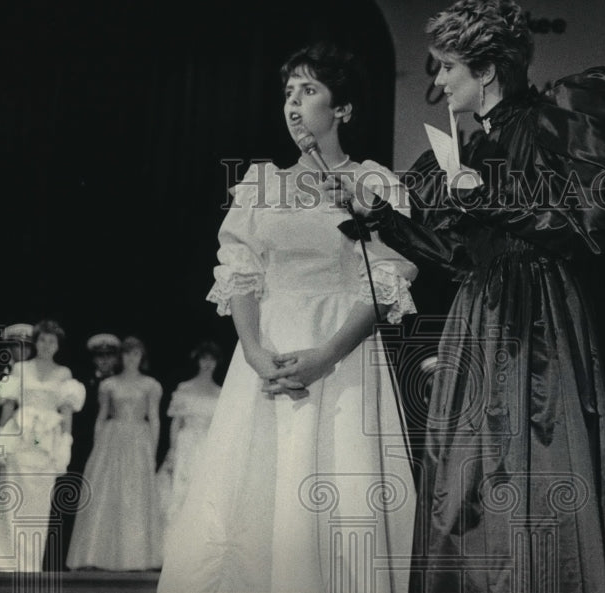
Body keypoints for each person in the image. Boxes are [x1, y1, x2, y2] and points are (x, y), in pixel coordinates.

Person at [327, 2, 605, 590]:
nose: (438, 81)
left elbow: (584, 227)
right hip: (479, 308)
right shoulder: (471, 148)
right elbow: (457, 256)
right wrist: (387, 221)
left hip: (537, 310)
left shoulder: (549, 123)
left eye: (447, 66)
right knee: (466, 477)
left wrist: (488, 200)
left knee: (539, 458)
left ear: (485, 70)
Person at [157, 43, 418, 593]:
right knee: (254, 492)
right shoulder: (259, 184)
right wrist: (252, 352)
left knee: (335, 487)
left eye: (310, 91)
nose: (294, 104)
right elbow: (242, 274)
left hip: (342, 356)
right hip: (267, 355)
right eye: (289, 93)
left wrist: (326, 355)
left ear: (342, 109)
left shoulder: (375, 183)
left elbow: (386, 279)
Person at [0, 320, 85, 572]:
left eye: (52, 341)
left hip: (45, 448)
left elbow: (66, 415)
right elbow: (8, 409)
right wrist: (1, 446)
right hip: (20, 443)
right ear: (36, 342)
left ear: (58, 345)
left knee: (37, 509)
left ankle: (28, 568)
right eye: (42, 340)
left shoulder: (64, 374)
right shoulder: (20, 369)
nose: (46, 345)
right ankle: (2, 566)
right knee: (11, 504)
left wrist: (65, 448)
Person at [66, 336, 163, 570]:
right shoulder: (109, 385)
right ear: (122, 357)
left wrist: (152, 450)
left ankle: (135, 557)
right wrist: (97, 448)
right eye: (128, 354)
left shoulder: (151, 385)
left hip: (138, 439)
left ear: (142, 357)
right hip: (113, 439)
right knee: (107, 494)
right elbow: (101, 418)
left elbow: (154, 419)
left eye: (136, 354)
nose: (131, 358)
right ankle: (96, 556)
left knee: (134, 495)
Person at [56, 332, 121, 569]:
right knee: (75, 501)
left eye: (109, 356)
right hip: (84, 451)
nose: (104, 361)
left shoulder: (122, 382)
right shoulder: (83, 383)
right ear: (94, 359)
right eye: (100, 356)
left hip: (114, 451)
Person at [157, 340, 222, 541]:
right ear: (198, 361)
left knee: (204, 492)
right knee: (182, 489)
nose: (207, 363)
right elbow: (176, 423)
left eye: (211, 359)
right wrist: (173, 450)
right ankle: (175, 544)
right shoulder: (185, 388)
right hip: (186, 443)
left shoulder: (220, 392)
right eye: (204, 359)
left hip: (207, 444)